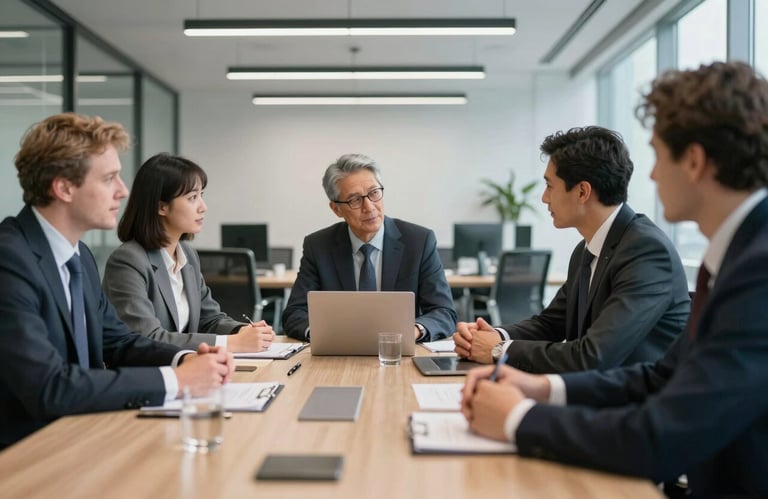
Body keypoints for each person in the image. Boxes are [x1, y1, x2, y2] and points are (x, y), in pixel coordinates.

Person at [461, 61, 768, 497]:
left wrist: (518, 418)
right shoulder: (736, 255)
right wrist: (539, 387)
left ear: (695, 161)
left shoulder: (756, 270)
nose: (654, 174)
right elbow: (659, 378)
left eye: (659, 156)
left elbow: (664, 434)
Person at [0, 113, 234, 449]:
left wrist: (185, 359)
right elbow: (49, 387)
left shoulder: (77, 254)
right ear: (64, 187)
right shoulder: (10, 260)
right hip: (26, 452)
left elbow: (119, 341)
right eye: (110, 179)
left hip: (81, 435)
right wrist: (176, 379)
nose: (123, 192)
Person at [453, 126, 690, 373]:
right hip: (595, 393)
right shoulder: (586, 250)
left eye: (549, 185)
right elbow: (550, 324)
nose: (544, 198)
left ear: (582, 191)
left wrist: (498, 350)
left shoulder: (645, 251)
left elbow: (593, 356)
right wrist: (491, 336)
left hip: (634, 404)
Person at [103, 153, 275, 352]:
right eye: (192, 197)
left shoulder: (187, 255)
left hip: (190, 370)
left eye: (201, 195)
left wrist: (243, 332)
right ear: (162, 207)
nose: (203, 207)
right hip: (149, 377)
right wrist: (232, 343)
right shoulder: (128, 261)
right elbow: (147, 337)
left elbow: (209, 319)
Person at [282, 153, 456, 342]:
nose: (369, 207)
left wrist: (411, 332)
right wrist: (324, 334)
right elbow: (294, 313)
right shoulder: (318, 246)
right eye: (355, 200)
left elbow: (443, 311)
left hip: (398, 353)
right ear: (336, 209)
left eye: (374, 193)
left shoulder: (419, 241)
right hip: (339, 353)